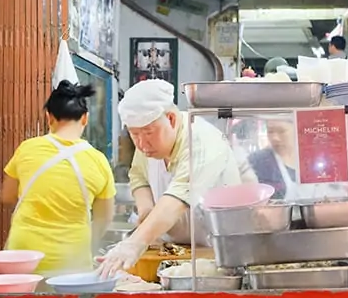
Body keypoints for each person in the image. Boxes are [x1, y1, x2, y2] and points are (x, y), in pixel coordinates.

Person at [97, 79, 247, 277]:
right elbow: (138, 176)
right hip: (175, 253)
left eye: (149, 132)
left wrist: (134, 243)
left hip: (219, 256)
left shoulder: (201, 140)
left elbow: (177, 200)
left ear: (171, 119)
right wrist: (146, 209)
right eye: (134, 134)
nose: (141, 143)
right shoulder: (147, 145)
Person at [0, 80, 116, 276]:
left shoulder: (27, 149)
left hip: (23, 259)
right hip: (72, 262)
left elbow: (7, 196)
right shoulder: (98, 161)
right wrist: (87, 242)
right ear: (85, 119)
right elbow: (104, 217)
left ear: (49, 117)